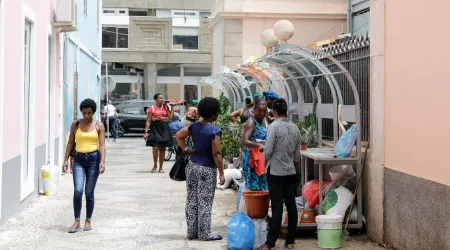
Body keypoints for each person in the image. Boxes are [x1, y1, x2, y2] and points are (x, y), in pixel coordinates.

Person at [175, 97, 225, 241]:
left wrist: (186, 149)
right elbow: (216, 153)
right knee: (205, 201)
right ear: (214, 114)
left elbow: (179, 135)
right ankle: (205, 233)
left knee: (191, 199)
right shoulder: (215, 130)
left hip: (192, 166)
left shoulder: (194, 126)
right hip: (207, 169)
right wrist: (221, 173)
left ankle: (192, 232)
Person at [262, 98, 301, 250]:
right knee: (291, 206)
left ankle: (270, 243)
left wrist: (264, 161)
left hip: (276, 173)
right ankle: (290, 241)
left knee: (277, 208)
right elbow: (297, 156)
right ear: (286, 111)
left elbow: (268, 150)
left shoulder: (273, 127)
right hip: (291, 173)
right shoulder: (295, 128)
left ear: (274, 111)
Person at [63, 98, 106, 233]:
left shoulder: (99, 125)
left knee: (89, 192)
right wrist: (65, 159)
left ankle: (88, 220)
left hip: (94, 160)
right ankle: (76, 221)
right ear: (81, 112)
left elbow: (102, 145)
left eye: (89, 113)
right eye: (84, 113)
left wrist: (102, 162)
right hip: (79, 160)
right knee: (78, 191)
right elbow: (70, 143)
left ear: (93, 112)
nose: (87, 116)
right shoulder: (75, 124)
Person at [241, 98, 268, 191]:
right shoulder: (251, 122)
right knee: (254, 188)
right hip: (252, 159)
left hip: (261, 157)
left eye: (264, 111)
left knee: (262, 186)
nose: (262, 113)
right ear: (254, 109)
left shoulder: (264, 121)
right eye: (259, 111)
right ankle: (253, 205)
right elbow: (244, 140)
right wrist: (258, 145)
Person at [144, 93, 175, 173]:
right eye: (160, 98)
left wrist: (172, 107)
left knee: (163, 148)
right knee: (155, 147)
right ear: (155, 99)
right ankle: (155, 165)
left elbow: (170, 118)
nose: (162, 99)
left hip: (164, 128)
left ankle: (161, 167)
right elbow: (148, 121)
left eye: (162, 98)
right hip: (155, 128)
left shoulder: (166, 107)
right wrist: (146, 132)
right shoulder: (152, 108)